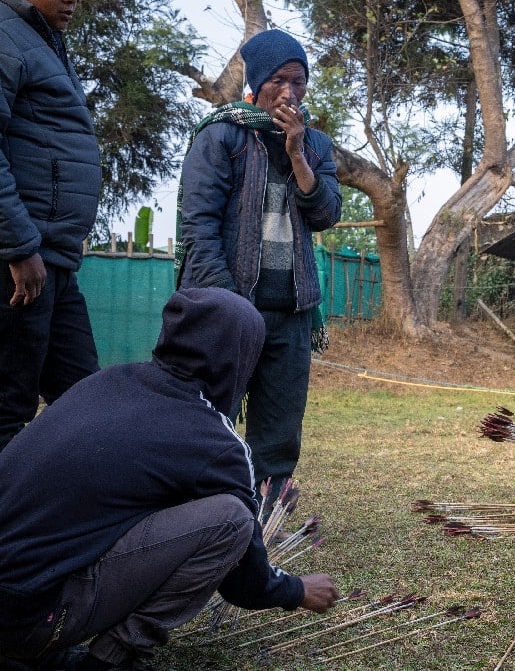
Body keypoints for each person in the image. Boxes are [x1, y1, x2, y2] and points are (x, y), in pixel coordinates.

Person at [0, 287, 340, 671]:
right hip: (29, 622)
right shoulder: (215, 442)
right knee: (232, 519)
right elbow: (244, 580)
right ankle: (109, 659)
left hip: (12, 602)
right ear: (239, 358)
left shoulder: (107, 383)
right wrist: (296, 590)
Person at [178, 28, 342, 506]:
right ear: (256, 83)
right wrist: (225, 301)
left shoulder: (314, 145)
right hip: (229, 304)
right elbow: (199, 227)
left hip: (291, 309)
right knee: (214, 413)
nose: (290, 92)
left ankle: (268, 513)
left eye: (299, 81)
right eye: (278, 80)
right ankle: (211, 509)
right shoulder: (221, 135)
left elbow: (326, 213)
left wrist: (296, 154)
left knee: (280, 423)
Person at [0, 0, 111, 453]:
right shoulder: (4, 35)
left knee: (87, 402)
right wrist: (19, 246)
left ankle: (71, 523)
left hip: (53, 263)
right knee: (6, 409)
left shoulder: (42, 40)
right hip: (20, 263)